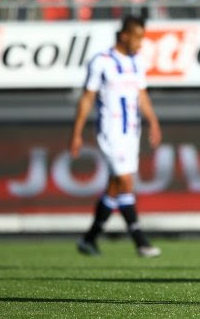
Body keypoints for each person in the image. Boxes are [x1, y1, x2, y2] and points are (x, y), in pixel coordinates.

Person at [70, 15, 162, 258]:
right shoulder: (101, 61)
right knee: (126, 182)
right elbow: (87, 98)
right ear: (124, 35)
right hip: (110, 132)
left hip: (132, 131)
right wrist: (77, 133)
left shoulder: (137, 62)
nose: (140, 43)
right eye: (138, 37)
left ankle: (88, 239)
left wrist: (153, 122)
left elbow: (142, 95)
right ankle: (140, 240)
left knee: (114, 186)